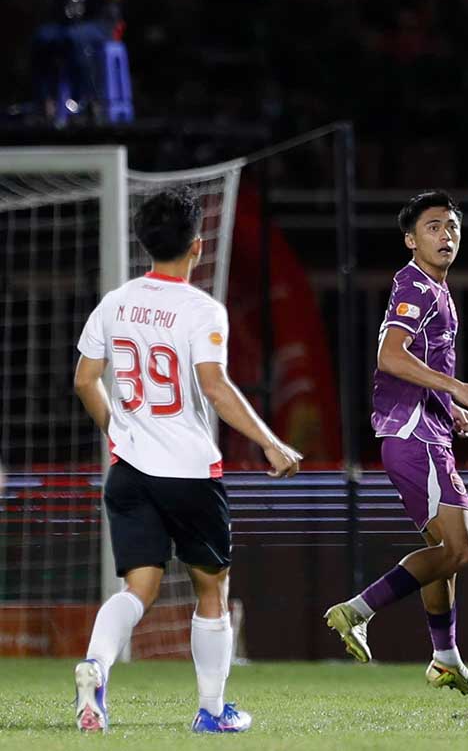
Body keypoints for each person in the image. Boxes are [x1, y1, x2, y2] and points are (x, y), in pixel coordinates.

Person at [73, 187, 302, 734]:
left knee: (138, 589)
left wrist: (117, 429)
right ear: (198, 245)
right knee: (212, 589)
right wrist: (270, 442)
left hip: (128, 472)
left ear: (144, 242)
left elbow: (84, 380)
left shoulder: (115, 302)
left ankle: (95, 667)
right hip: (190, 475)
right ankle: (212, 711)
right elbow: (214, 386)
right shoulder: (200, 309)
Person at [324, 191, 468, 696]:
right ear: (410, 240)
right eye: (433, 227)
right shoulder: (416, 286)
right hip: (413, 436)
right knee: (463, 548)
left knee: (444, 552)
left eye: (452, 227)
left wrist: (450, 407)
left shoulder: (434, 289)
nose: (445, 235)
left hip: (426, 431)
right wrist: (457, 388)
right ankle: (357, 610)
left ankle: (445, 658)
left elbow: (417, 364)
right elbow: (390, 356)